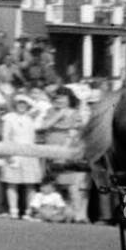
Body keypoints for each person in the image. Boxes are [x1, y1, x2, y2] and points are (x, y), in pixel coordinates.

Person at [37, 86, 90, 223]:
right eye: (57, 97)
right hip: (50, 150)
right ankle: (58, 214)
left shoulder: (75, 114)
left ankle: (79, 215)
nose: (59, 100)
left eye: (62, 97)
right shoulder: (51, 111)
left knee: (71, 184)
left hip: (66, 151)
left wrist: (63, 152)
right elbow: (43, 126)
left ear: (69, 99)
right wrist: (59, 115)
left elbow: (74, 133)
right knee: (53, 184)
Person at [0, 93, 43, 219]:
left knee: (30, 183)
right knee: (12, 183)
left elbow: (39, 108)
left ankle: (29, 211)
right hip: (14, 153)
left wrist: (29, 100)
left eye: (24, 103)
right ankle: (13, 210)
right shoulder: (9, 118)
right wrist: (9, 154)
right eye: (19, 103)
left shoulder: (30, 118)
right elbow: (5, 137)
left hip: (29, 154)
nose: (22, 106)